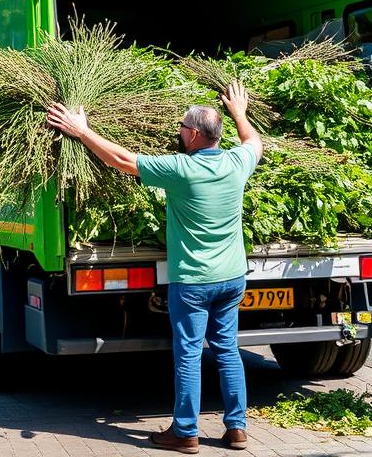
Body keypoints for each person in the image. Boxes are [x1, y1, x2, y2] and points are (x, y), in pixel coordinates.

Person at [47, 81, 263, 453]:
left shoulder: (180, 169)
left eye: (181, 126)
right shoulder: (236, 163)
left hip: (193, 281)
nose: (177, 131)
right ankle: (237, 428)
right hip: (232, 277)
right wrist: (240, 114)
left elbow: (123, 160)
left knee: (190, 353)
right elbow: (254, 142)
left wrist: (82, 131)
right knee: (227, 350)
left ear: (194, 134)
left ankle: (185, 432)